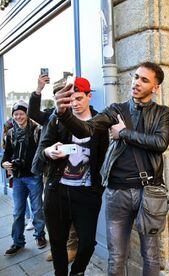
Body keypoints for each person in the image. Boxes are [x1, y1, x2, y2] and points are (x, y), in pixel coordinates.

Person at [54, 62, 169, 275]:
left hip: (149, 193)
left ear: (155, 87)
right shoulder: (116, 110)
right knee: (116, 257)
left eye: (144, 80)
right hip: (117, 193)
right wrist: (63, 114)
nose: (136, 82)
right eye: (136, 77)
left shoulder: (162, 112)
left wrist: (124, 133)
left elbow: (160, 142)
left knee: (151, 256)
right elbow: (86, 129)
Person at [36, 77, 109, 275]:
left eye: (78, 98)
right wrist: (48, 152)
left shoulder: (99, 123)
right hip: (57, 190)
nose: (75, 103)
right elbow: (43, 148)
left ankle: (77, 271)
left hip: (86, 193)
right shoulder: (58, 119)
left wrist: (97, 190)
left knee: (86, 243)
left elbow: (102, 158)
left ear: (89, 96)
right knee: (58, 242)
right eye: (71, 100)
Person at [28, 73, 79, 262]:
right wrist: (38, 90)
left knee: (70, 210)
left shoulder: (77, 112)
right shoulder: (51, 114)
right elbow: (33, 114)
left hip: (72, 170)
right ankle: (57, 246)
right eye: (58, 94)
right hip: (51, 171)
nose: (63, 97)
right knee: (52, 211)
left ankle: (72, 246)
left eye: (65, 93)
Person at [1, 100, 47, 256]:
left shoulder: (37, 130)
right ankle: (18, 242)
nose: (18, 116)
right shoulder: (10, 133)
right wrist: (4, 164)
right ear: (12, 116)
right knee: (17, 211)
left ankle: (40, 236)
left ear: (27, 114)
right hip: (18, 177)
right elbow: (6, 156)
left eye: (21, 113)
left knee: (37, 209)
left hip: (34, 176)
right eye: (15, 114)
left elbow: (42, 153)